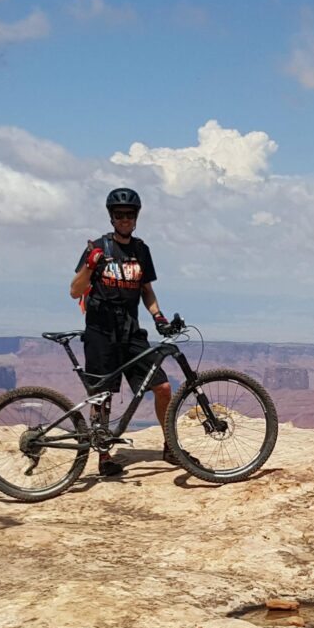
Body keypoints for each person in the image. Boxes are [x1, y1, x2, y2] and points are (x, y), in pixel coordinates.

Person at [67, 187, 184, 478]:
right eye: (119, 215)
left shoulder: (141, 250)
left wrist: (158, 316)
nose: (125, 219)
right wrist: (91, 265)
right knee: (101, 396)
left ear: (136, 217)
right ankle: (104, 456)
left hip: (131, 332)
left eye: (130, 215)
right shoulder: (98, 247)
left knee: (163, 388)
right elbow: (74, 291)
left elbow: (147, 290)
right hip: (100, 331)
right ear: (111, 217)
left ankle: (170, 446)